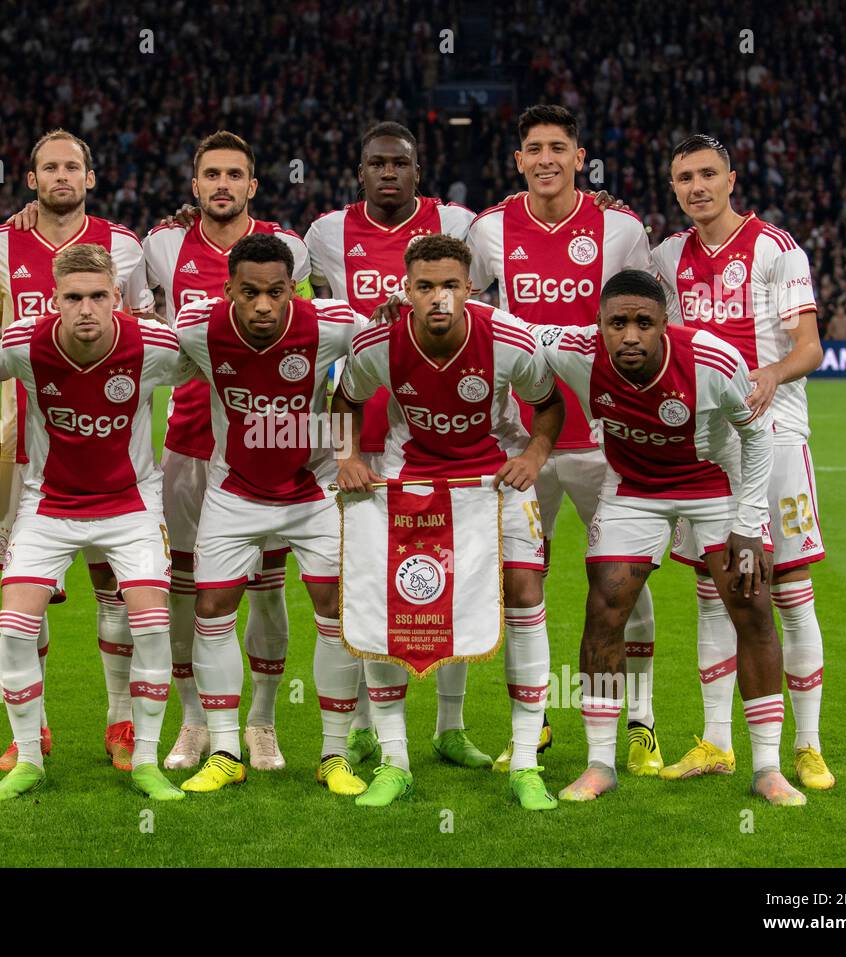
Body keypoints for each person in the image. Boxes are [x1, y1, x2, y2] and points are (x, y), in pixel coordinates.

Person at [537, 269, 805, 806]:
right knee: (605, 608)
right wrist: (409, 303)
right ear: (599, 325)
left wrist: (749, 522)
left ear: (665, 324)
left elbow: (757, 436)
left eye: (643, 323)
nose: (630, 335)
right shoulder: (572, 351)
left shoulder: (712, 360)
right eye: (617, 323)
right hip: (632, 488)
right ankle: (598, 763)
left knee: (751, 605)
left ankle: (769, 767)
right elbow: (507, 327)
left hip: (715, 483)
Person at [334, 234, 566, 808]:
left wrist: (534, 456)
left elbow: (550, 401)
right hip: (409, 478)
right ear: (406, 290)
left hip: (492, 480)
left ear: (471, 289)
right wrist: (347, 457)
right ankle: (394, 761)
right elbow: (344, 399)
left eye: (451, 286)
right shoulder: (378, 343)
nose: (439, 298)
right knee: (395, 604)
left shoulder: (509, 339)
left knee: (522, 592)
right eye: (426, 286)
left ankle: (526, 762)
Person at [467, 104, 662, 775]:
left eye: (558, 146)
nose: (546, 158)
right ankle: (535, 724)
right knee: (523, 585)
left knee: (623, 582)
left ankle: (641, 721)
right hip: (522, 442)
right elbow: (470, 312)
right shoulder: (489, 229)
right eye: (533, 148)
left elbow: (649, 321)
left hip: (609, 438)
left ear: (581, 157)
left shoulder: (620, 228)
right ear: (517, 159)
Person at [653, 134, 833, 790]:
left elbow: (810, 346)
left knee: (786, 589)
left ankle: (808, 744)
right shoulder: (667, 255)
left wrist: (771, 373)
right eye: (683, 177)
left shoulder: (776, 248)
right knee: (711, 593)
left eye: (707, 173)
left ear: (732, 178)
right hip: (703, 444)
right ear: (673, 188)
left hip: (775, 434)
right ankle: (716, 741)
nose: (696, 186)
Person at [0, 129, 154, 774]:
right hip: (20, 445)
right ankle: (34, 732)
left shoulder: (127, 247)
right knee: (28, 590)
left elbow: (141, 337)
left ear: (91, 177)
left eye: (72, 167)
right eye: (49, 167)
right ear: (30, 180)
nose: (61, 177)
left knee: (116, 587)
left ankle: (122, 723)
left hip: (110, 443)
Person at [305, 120, 485, 770]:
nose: (388, 172)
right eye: (376, 162)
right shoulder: (324, 233)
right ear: (360, 170)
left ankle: (450, 724)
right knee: (361, 585)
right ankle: (356, 728)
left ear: (417, 169)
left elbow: (483, 301)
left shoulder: (460, 223)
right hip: (349, 432)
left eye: (399, 163)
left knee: (448, 582)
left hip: (430, 435)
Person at [0, 243, 184, 802]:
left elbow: (219, 361)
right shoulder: (26, 342)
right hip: (48, 504)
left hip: (129, 504)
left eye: (99, 296)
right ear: (54, 300)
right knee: (15, 626)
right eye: (73, 298)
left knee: (149, 622)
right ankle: (27, 759)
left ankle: (145, 760)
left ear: (118, 298)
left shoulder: (152, 344)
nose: (87, 309)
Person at [172, 233, 368, 798]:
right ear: (228, 289)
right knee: (211, 607)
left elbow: (377, 349)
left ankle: (334, 754)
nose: (263, 305)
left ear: (292, 290)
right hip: (233, 491)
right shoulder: (198, 329)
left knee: (336, 608)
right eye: (250, 292)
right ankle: (227, 748)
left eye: (276, 293)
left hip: (312, 491)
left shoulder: (329, 325)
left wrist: (396, 308)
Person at [143, 131, 312, 772]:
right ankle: (193, 722)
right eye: (210, 174)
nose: (221, 184)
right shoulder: (161, 245)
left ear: (252, 185)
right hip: (188, 449)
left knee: (268, 591)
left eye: (233, 174)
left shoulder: (287, 248)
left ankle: (262, 723)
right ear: (194, 187)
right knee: (189, 593)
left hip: (268, 446)